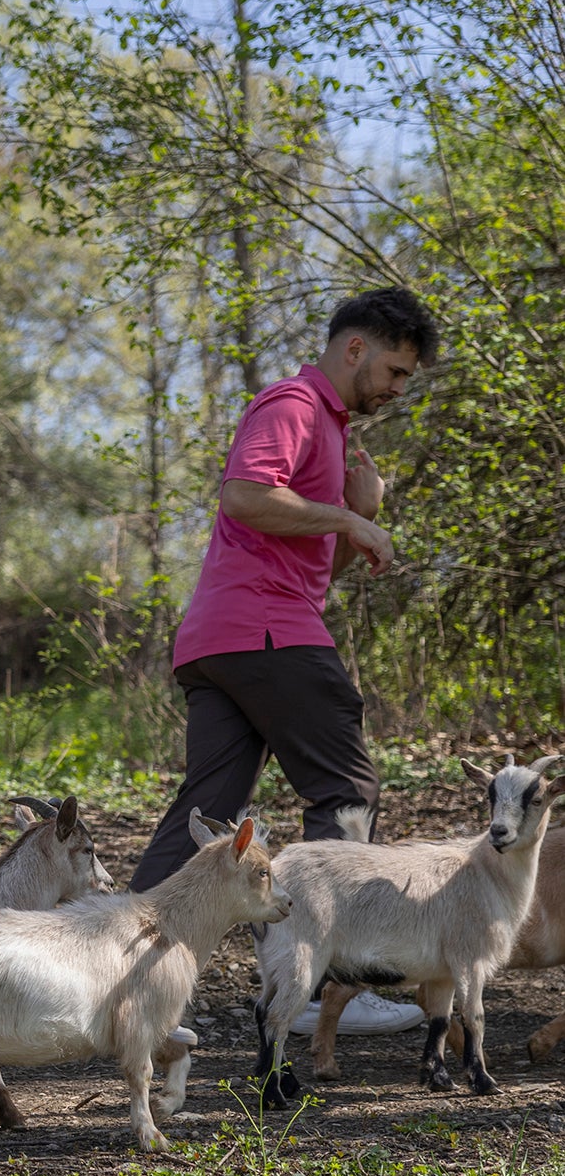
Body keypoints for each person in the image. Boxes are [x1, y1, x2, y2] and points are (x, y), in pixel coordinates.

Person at [128, 287, 439, 1037]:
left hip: (222, 639)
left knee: (206, 820)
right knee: (345, 785)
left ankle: (121, 976)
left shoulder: (331, 431)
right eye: (394, 371)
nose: (398, 389)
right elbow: (241, 495)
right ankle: (334, 975)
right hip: (267, 631)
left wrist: (360, 512)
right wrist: (347, 515)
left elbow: (307, 568)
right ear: (354, 349)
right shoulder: (296, 404)